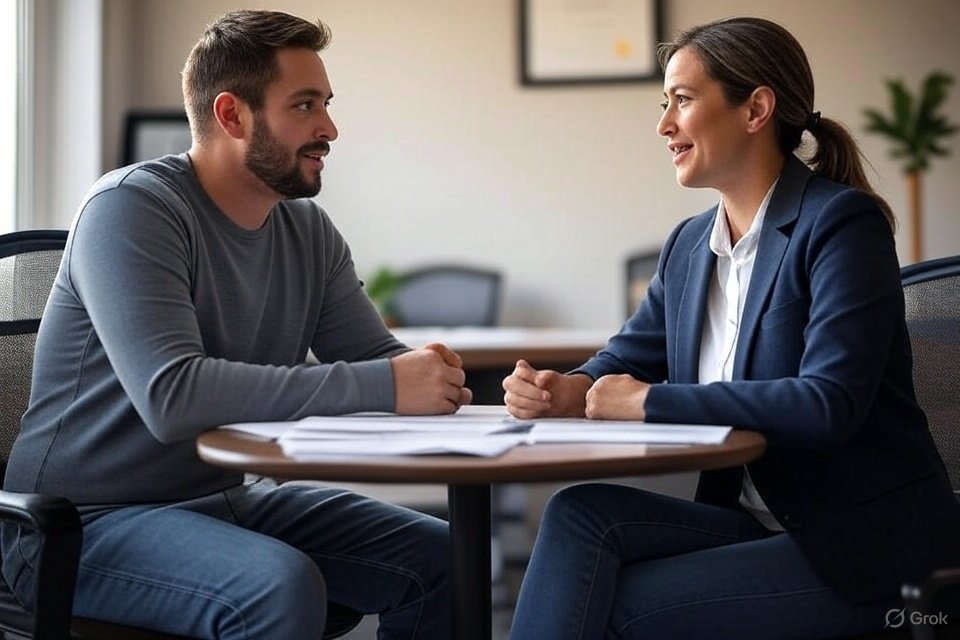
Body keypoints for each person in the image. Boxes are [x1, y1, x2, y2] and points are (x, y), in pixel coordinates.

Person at [2, 9, 470, 640]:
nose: (330, 127)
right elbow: (173, 395)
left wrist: (441, 380)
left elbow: (377, 361)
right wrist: (388, 383)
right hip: (77, 526)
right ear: (231, 115)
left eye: (327, 103)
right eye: (304, 105)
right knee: (277, 587)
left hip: (222, 503)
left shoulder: (307, 231)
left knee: (444, 558)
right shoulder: (131, 209)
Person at [503, 16, 960, 640]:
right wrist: (572, 387)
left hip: (867, 549)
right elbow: (629, 355)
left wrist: (648, 402)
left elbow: (828, 403)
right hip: (757, 520)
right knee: (580, 514)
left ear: (756, 109)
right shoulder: (691, 245)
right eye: (664, 103)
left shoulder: (841, 226)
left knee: (615, 605)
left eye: (683, 101)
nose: (664, 125)